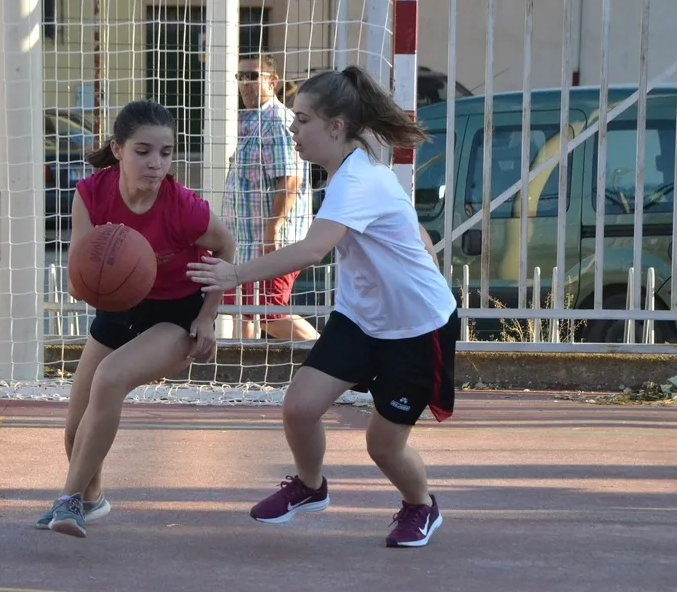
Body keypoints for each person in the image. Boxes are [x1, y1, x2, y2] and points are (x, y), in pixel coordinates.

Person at [187, 66, 460, 548]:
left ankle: (421, 505)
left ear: (335, 127)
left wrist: (234, 275)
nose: (293, 129)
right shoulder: (352, 173)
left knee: (383, 447)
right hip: (361, 319)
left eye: (302, 120)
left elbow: (313, 250)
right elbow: (414, 230)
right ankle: (310, 488)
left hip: (416, 330)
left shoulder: (358, 180)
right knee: (299, 409)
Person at [40, 100, 236, 538]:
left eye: (165, 153)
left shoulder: (183, 207)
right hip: (119, 306)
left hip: (176, 314)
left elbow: (226, 246)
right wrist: (86, 279)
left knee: (110, 378)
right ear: (118, 150)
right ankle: (91, 499)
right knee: (74, 431)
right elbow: (79, 267)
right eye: (143, 151)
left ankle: (67, 501)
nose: (156, 163)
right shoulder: (92, 193)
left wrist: (208, 316)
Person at [221, 53, 317, 342]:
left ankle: (331, 356)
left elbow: (290, 180)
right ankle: (242, 364)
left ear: (273, 82)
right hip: (245, 243)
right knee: (243, 311)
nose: (245, 83)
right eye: (241, 77)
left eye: (253, 76)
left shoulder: (276, 121)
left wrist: (272, 230)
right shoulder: (249, 121)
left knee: (269, 313)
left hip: (269, 243)